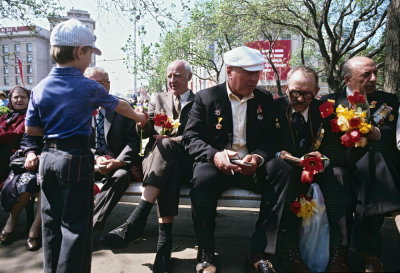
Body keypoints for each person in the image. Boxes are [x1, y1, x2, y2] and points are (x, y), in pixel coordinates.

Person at [24, 19, 146, 273]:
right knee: (76, 228)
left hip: (48, 158)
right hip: (76, 158)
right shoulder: (87, 86)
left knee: (51, 223)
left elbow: (31, 130)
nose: (90, 59)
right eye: (90, 53)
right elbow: (118, 105)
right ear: (80, 51)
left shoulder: (39, 88)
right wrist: (139, 117)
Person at [182, 46, 279, 273]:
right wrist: (214, 155)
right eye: (247, 73)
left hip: (252, 166)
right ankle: (206, 252)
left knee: (281, 170)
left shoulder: (265, 99)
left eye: (257, 73)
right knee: (202, 178)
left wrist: (258, 157)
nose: (253, 79)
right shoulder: (207, 98)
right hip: (218, 166)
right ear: (229, 71)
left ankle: (260, 252)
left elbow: (273, 139)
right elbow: (190, 137)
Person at [100, 60, 195, 273]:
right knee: (164, 163)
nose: (172, 80)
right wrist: (141, 123)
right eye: (169, 76)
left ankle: (138, 221)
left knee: (166, 150)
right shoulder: (157, 98)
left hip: (185, 162)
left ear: (189, 77)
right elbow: (143, 135)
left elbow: (197, 137)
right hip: (156, 159)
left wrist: (173, 139)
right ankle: (163, 247)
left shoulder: (199, 101)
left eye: (177, 76)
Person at [321, 56, 400, 272]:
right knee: (339, 179)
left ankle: (369, 255)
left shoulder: (389, 100)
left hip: (373, 162)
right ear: (348, 79)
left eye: (375, 72)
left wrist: (377, 133)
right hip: (341, 163)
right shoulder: (328, 103)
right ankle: (340, 252)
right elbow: (321, 140)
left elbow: (394, 135)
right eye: (366, 74)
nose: (374, 78)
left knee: (373, 174)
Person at [270, 66, 347, 272]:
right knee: (288, 176)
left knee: (339, 176)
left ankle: (339, 251)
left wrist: (321, 158)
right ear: (286, 88)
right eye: (295, 92)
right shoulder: (274, 108)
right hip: (287, 167)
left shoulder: (326, 111)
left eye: (307, 94)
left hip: (319, 167)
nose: (301, 99)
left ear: (317, 91)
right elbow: (265, 142)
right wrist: (283, 155)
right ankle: (289, 251)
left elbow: (335, 146)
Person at [84, 67, 141, 232]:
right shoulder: (80, 109)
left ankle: (89, 228)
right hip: (92, 162)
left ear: (108, 85)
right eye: (91, 83)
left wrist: (118, 162)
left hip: (118, 164)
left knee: (121, 177)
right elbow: (82, 144)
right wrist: (96, 159)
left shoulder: (122, 107)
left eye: (100, 83)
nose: (96, 87)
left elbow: (133, 142)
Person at [0, 133, 43, 251]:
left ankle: (35, 229)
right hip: (31, 164)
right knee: (27, 181)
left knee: (46, 185)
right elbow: (27, 139)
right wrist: (30, 153)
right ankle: (12, 219)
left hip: (52, 162)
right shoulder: (37, 117)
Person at [0, 86, 30, 184]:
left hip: (18, 154)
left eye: (23, 97)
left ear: (29, 99)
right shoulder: (5, 117)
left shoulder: (31, 117)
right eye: (16, 97)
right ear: (11, 99)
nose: (19, 100)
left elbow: (17, 135)